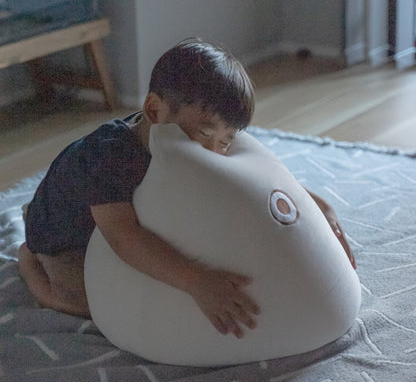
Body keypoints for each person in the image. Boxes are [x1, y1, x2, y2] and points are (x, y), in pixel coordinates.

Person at [18, 39, 356, 339]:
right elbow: (124, 237)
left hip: (111, 215)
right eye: (203, 136)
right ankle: (32, 265)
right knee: (99, 303)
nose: (213, 154)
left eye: (224, 143)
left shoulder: (191, 143)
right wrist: (195, 280)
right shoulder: (111, 158)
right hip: (67, 237)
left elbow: (254, 180)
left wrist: (313, 204)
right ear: (154, 110)